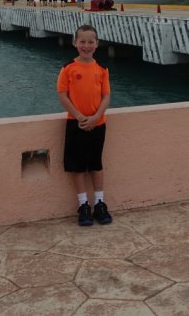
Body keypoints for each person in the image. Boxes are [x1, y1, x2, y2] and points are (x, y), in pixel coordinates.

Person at [58, 24, 112, 226]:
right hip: (76, 123)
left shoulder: (102, 69)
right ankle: (83, 205)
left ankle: (99, 202)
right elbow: (62, 96)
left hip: (99, 123)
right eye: (82, 41)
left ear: (97, 44)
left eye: (91, 42)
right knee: (78, 166)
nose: (86, 46)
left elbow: (106, 96)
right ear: (75, 43)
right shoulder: (68, 68)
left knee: (96, 164)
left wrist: (96, 116)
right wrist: (80, 117)